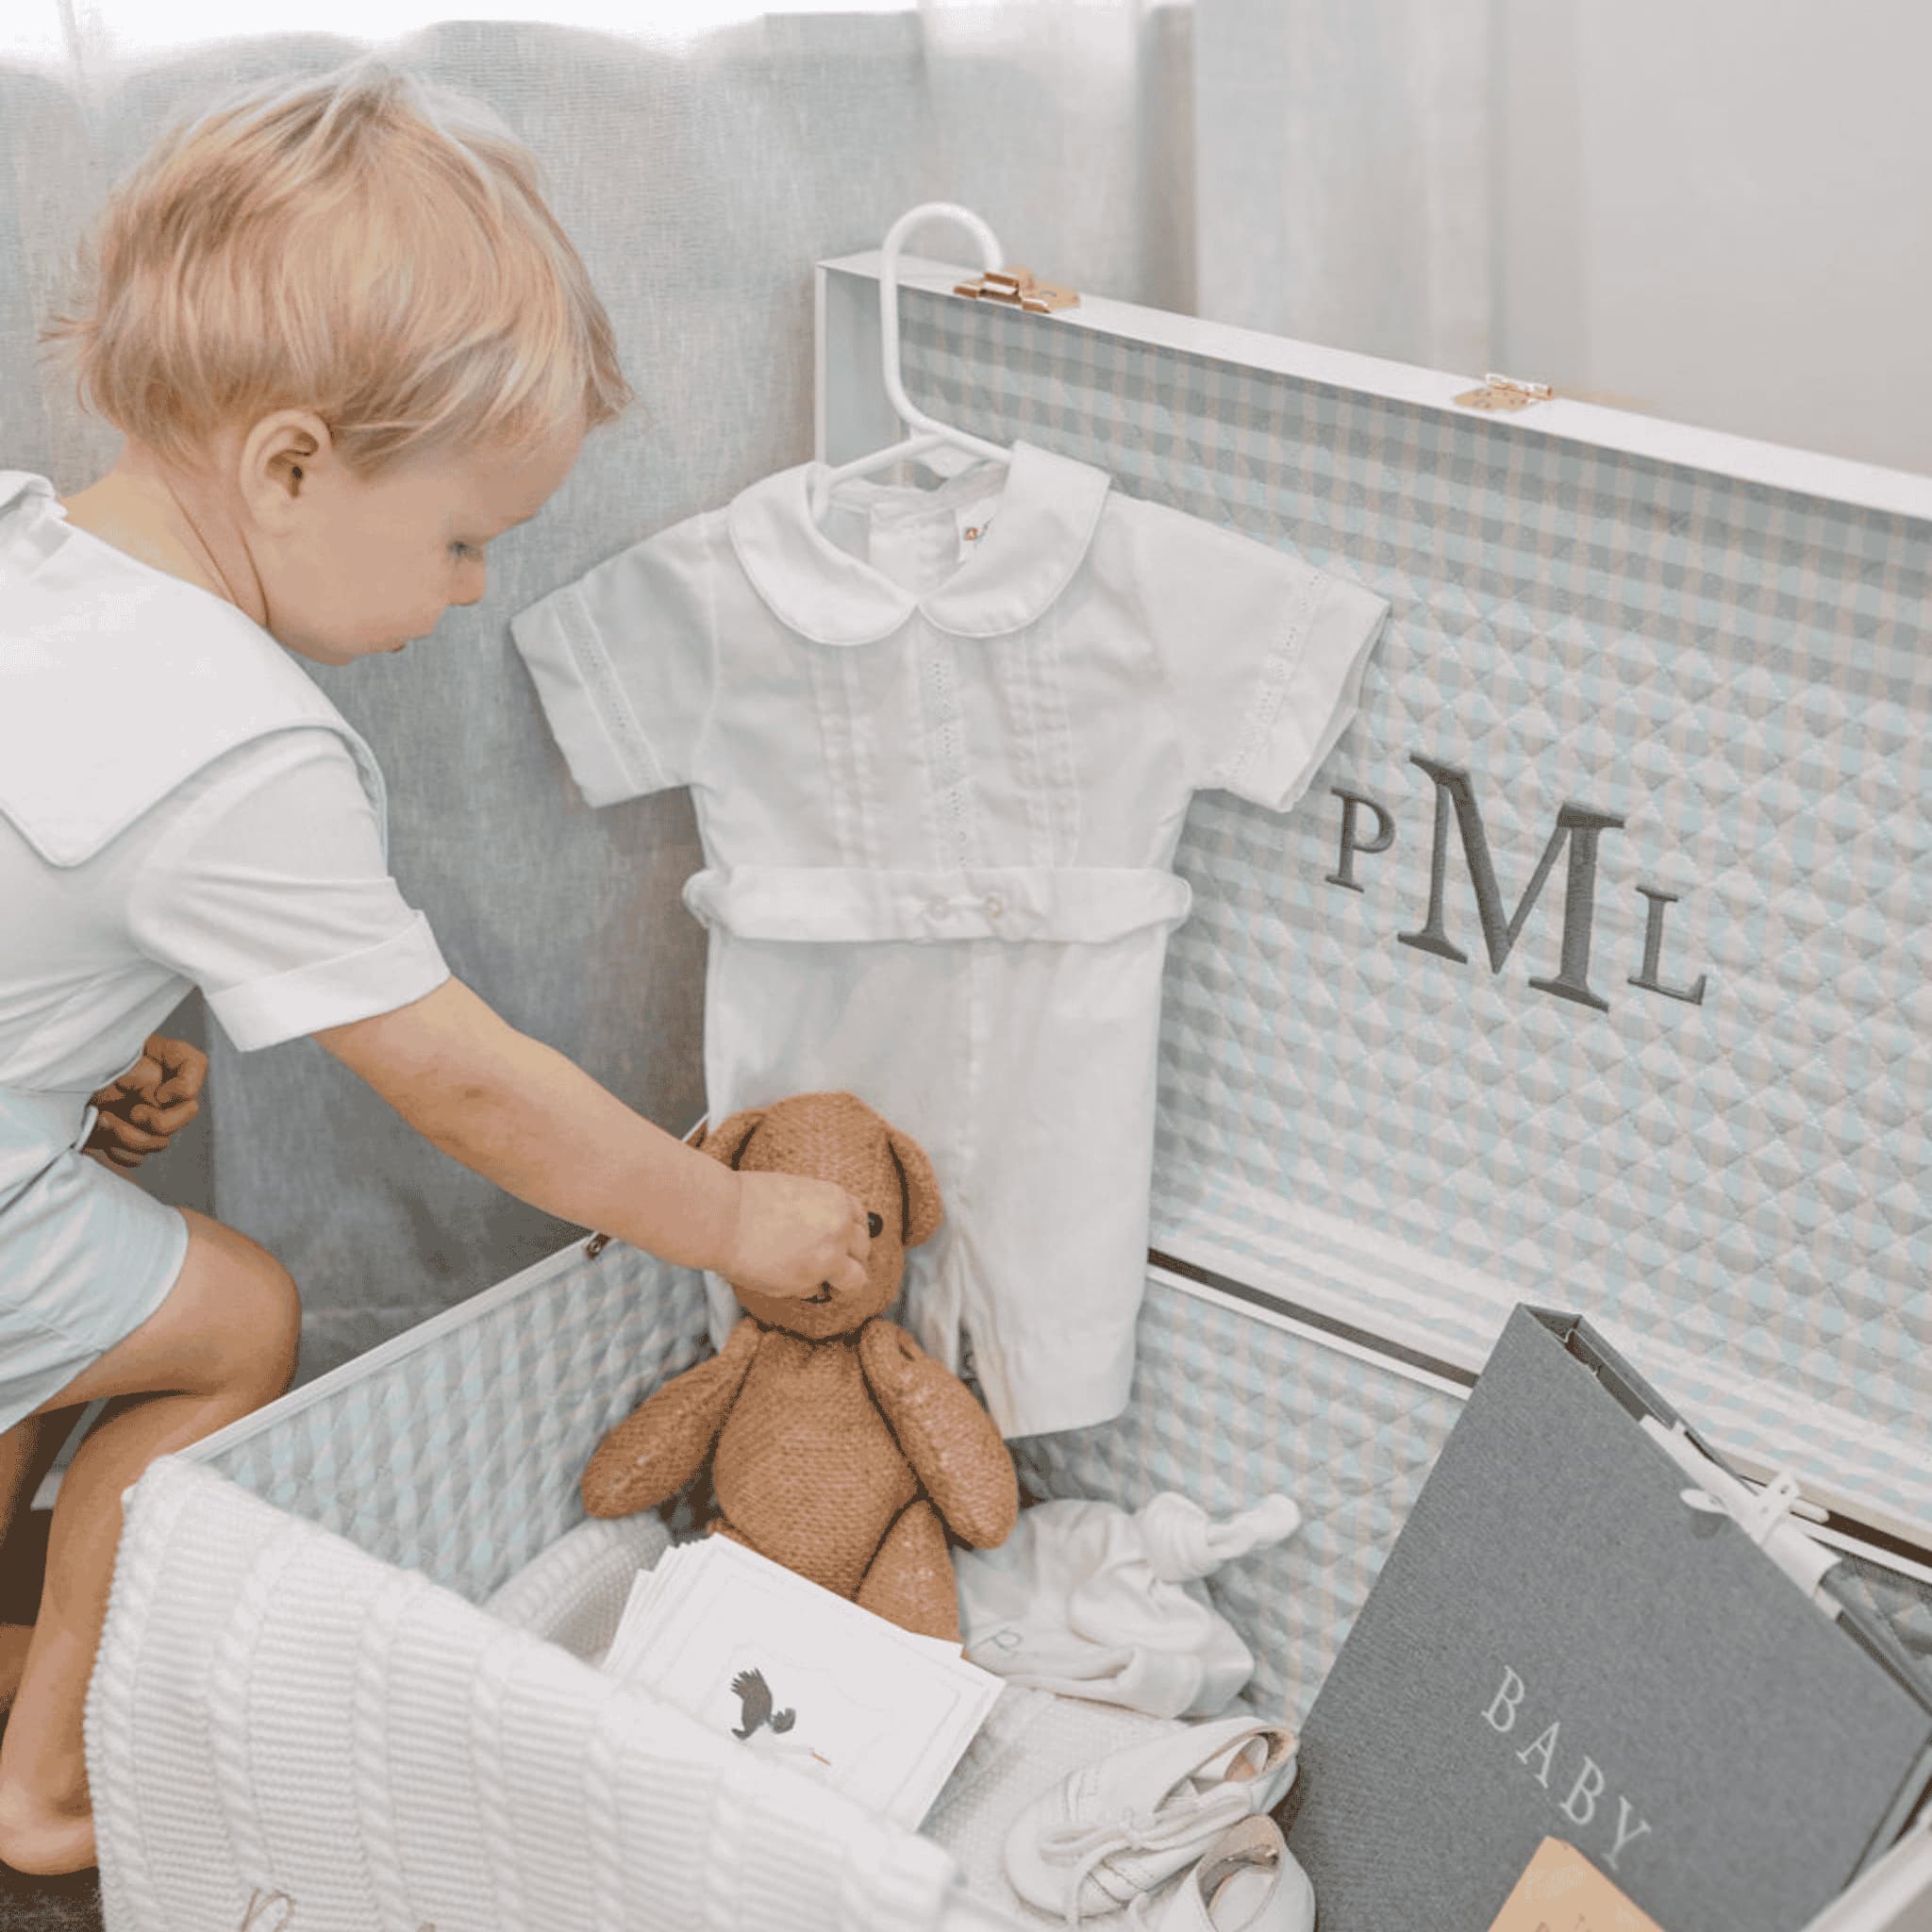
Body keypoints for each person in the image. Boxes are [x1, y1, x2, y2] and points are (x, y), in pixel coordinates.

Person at [0, 55, 871, 1877]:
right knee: (234, 1315)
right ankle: (59, 1779)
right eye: (464, 539)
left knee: (60, 1307)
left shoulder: (28, 553)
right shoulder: (239, 745)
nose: (473, 589)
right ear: (290, 466)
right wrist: (728, 1224)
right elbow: (464, 1082)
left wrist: (75, 1056)